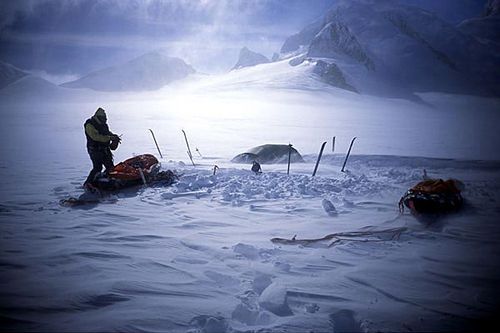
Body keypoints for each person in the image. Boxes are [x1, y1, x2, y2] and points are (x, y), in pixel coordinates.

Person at [83, 107, 120, 190]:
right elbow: (95, 137)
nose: (105, 120)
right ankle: (88, 184)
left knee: (110, 167)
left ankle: (106, 182)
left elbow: (107, 133)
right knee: (97, 167)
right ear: (98, 117)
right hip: (95, 149)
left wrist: (113, 136)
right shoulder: (90, 124)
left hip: (105, 149)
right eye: (103, 118)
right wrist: (110, 138)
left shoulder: (103, 124)